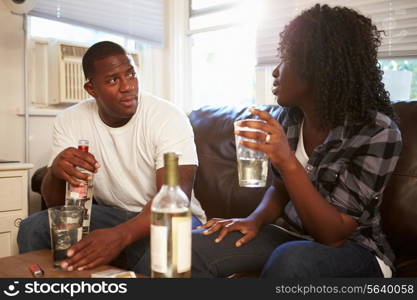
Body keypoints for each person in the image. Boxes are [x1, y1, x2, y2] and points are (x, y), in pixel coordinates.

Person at [191, 4, 402, 278]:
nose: (276, 71)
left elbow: (333, 235)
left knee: (292, 261)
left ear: (317, 66)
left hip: (356, 250)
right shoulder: (289, 118)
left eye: (286, 58)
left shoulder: (377, 132)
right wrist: (253, 220)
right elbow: (280, 189)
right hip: (289, 235)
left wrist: (287, 161)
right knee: (194, 246)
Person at [17, 41, 206, 275]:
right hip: (114, 216)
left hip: (174, 220)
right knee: (33, 227)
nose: (127, 87)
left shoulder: (167, 117)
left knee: (165, 253)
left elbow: (174, 202)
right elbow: (58, 205)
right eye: (112, 80)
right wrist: (55, 171)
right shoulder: (70, 121)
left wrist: (119, 237)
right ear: (91, 89)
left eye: (131, 75)